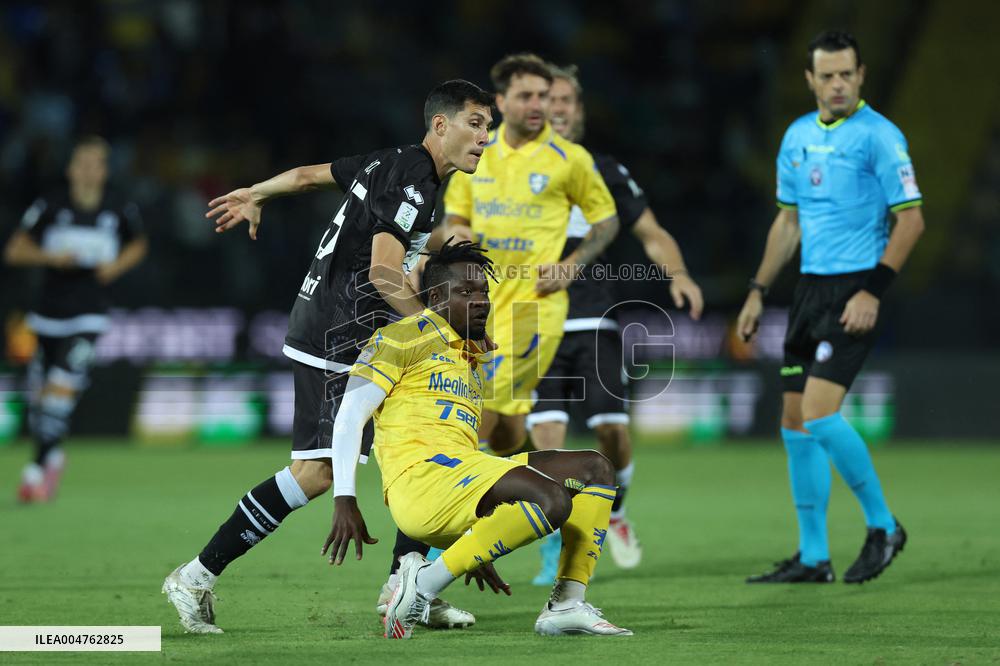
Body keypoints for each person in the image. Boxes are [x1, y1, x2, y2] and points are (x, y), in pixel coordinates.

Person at [162, 80, 495, 634]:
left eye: (489, 128)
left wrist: (259, 193)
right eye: (477, 123)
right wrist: (441, 333)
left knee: (419, 440)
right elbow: (383, 272)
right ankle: (196, 575)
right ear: (442, 126)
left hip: (338, 325)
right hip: (339, 334)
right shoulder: (415, 179)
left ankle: (406, 585)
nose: (486, 138)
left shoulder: (390, 162)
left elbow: (305, 177)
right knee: (316, 473)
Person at [376, 52, 620, 612]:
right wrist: (439, 255)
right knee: (495, 433)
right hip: (472, 309)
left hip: (531, 315)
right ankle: (416, 572)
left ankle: (420, 571)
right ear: (502, 101)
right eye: (527, 96)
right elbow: (454, 220)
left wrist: (574, 264)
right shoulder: (477, 153)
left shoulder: (571, 159)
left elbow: (606, 221)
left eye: (544, 96)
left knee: (486, 432)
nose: (537, 106)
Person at [327, 238, 632, 639]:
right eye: (465, 292)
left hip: (461, 478)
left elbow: (468, 454)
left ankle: (565, 605)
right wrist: (345, 497)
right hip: (420, 483)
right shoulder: (401, 336)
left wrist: (480, 542)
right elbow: (349, 417)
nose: (481, 301)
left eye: (484, 291)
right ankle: (422, 585)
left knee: (596, 468)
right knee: (551, 500)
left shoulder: (471, 358)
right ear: (435, 296)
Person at [739, 31, 923, 584]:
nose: (837, 83)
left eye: (847, 74)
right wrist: (757, 289)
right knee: (794, 421)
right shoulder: (796, 136)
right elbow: (788, 223)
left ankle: (883, 525)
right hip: (808, 293)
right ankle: (814, 555)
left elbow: (911, 220)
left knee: (819, 411)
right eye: (827, 75)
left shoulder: (880, 137)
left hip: (854, 291)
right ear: (811, 80)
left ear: (861, 74)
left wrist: (874, 290)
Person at [527, 65, 704, 584]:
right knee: (547, 442)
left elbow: (650, 231)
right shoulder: (511, 169)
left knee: (612, 433)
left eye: (568, 101)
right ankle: (551, 543)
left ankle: (618, 510)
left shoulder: (603, 170)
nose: (558, 108)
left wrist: (680, 274)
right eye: (549, 99)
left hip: (595, 320)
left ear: (579, 112)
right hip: (536, 320)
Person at [3, 135, 147, 502]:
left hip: (89, 316)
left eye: (95, 164)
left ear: (104, 170)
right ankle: (52, 456)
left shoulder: (118, 207)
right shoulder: (50, 205)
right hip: (47, 315)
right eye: (81, 163)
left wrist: (115, 267)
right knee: (42, 401)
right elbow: (15, 250)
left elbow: (139, 243)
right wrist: (50, 258)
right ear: (70, 168)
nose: (87, 170)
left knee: (60, 393)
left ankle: (34, 471)